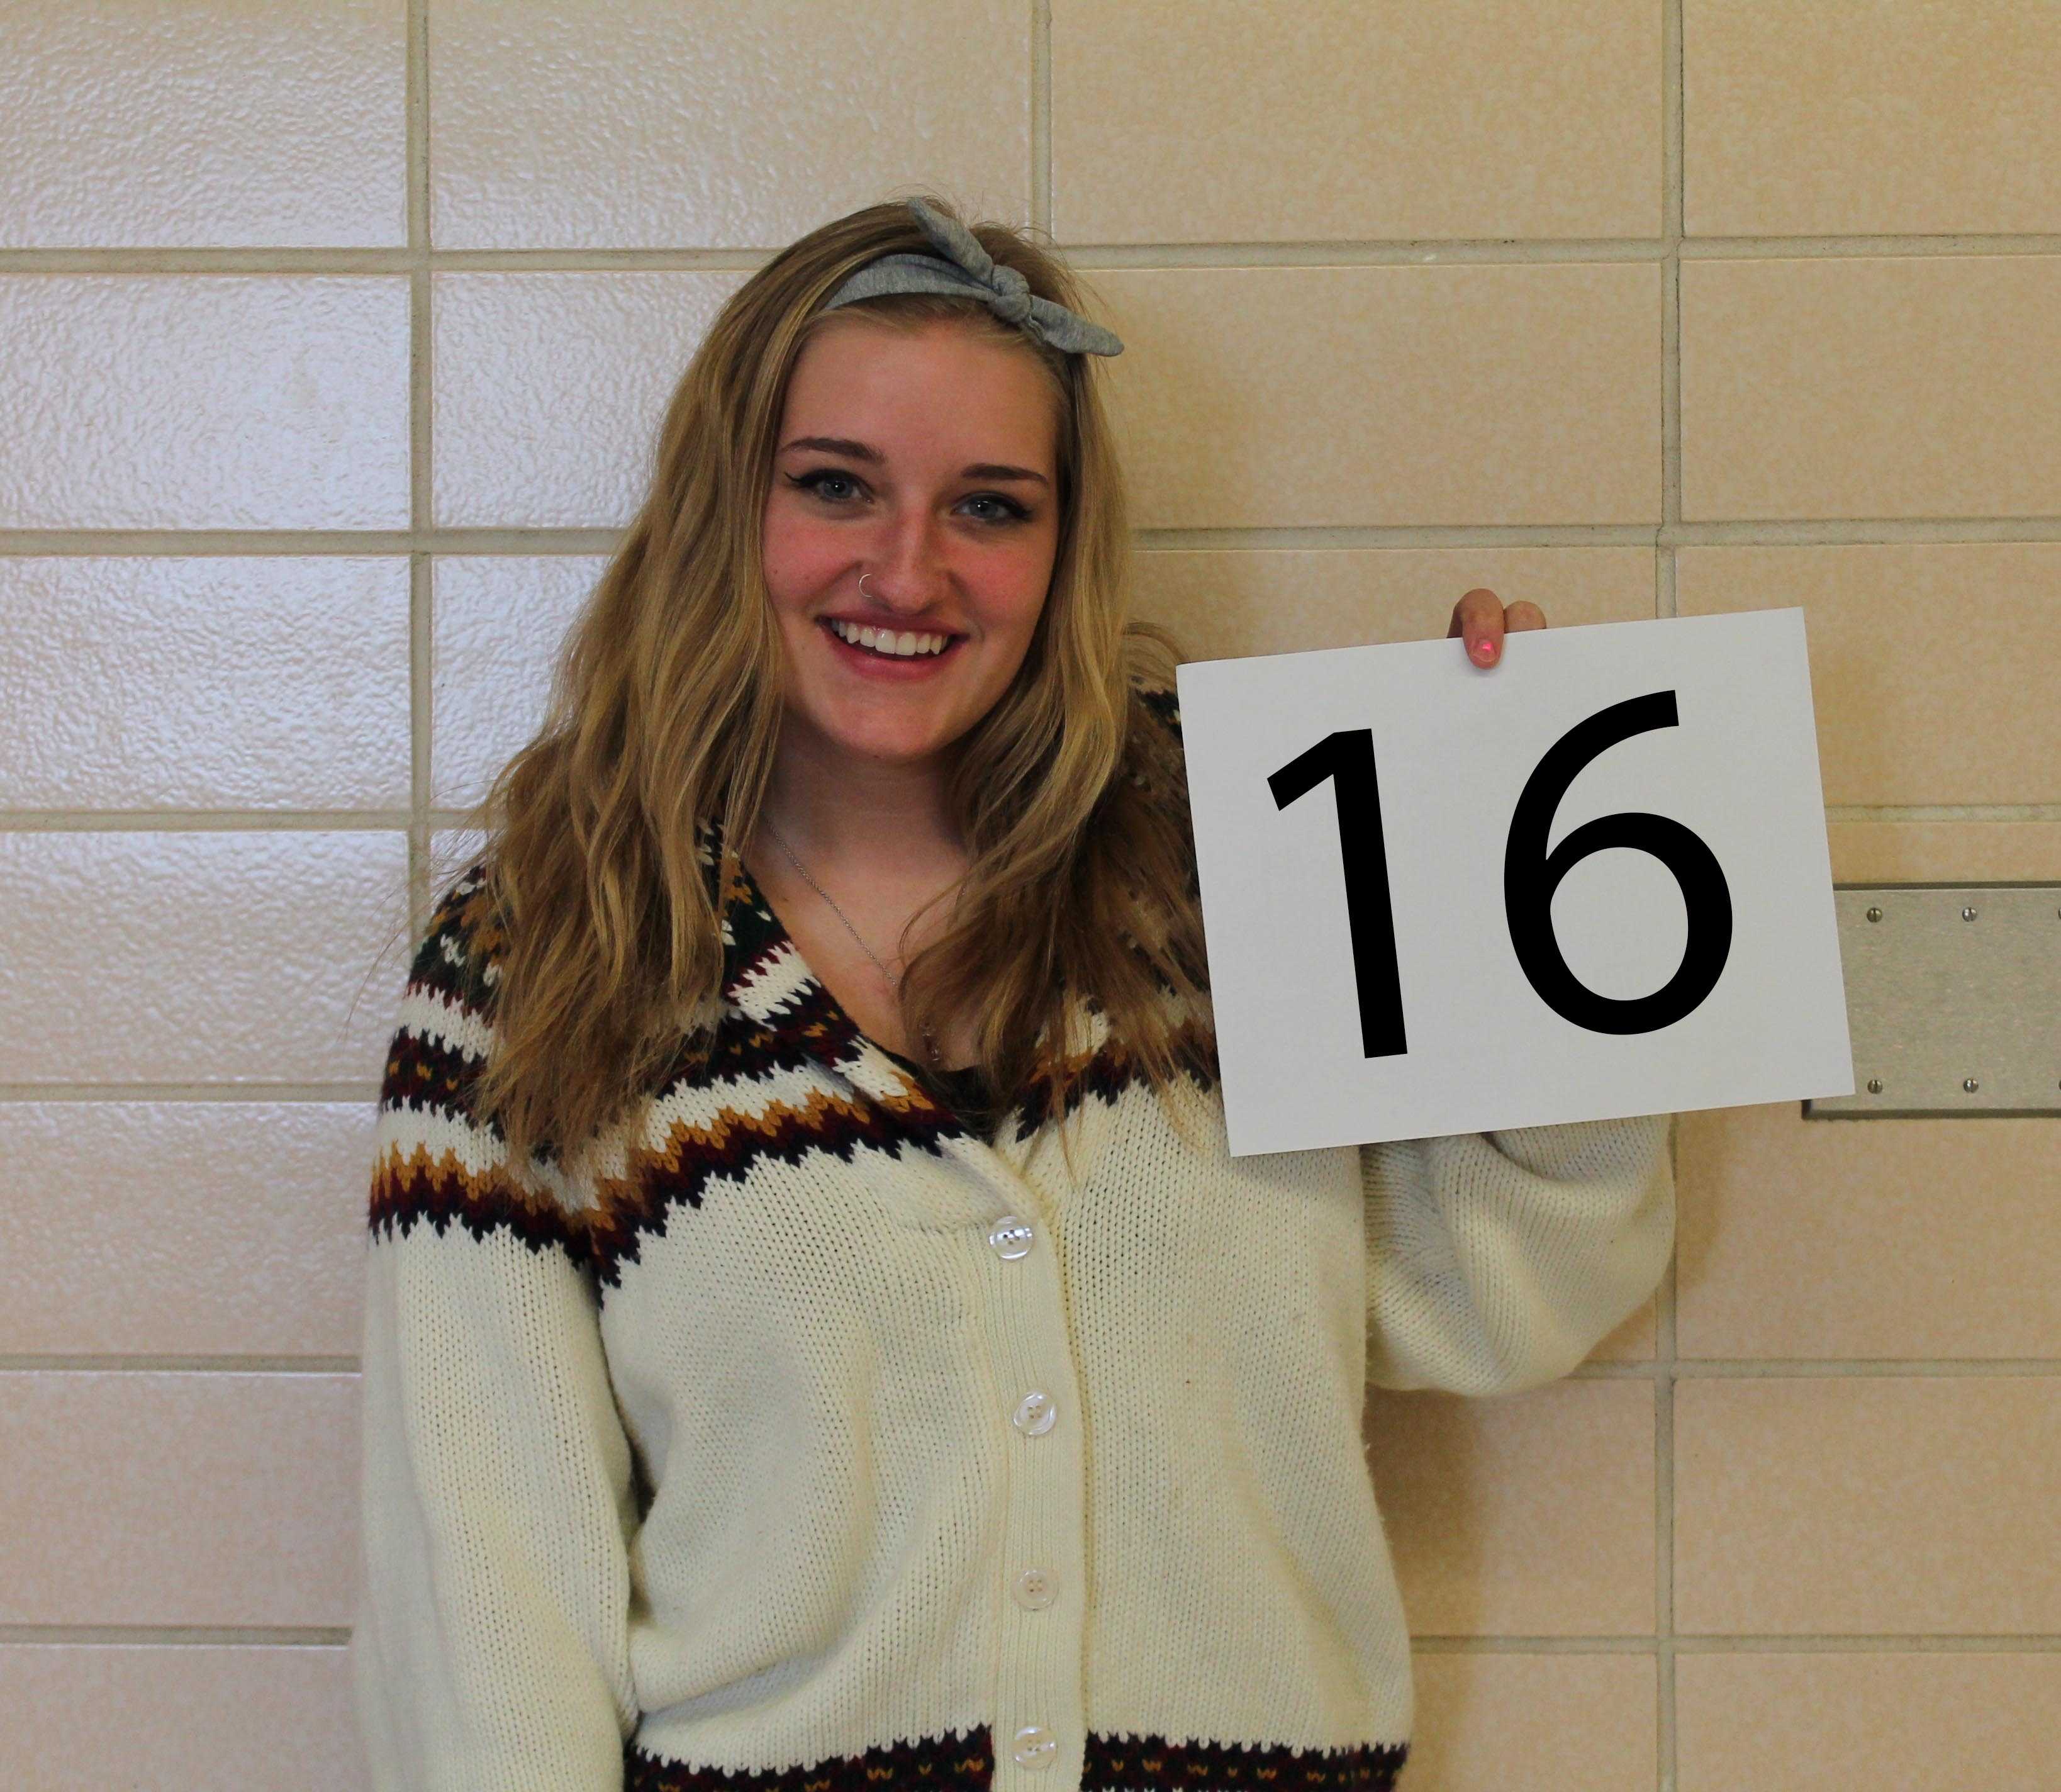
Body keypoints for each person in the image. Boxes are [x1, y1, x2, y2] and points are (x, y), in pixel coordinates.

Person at [351, 192, 1675, 1792]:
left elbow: (1495, 1294)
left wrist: (1509, 876)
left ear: (1064, 545)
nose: (907, 572)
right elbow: (487, 1590)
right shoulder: (549, 952)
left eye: (991, 506)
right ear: (724, 508)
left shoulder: (1235, 859)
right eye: (835, 485)